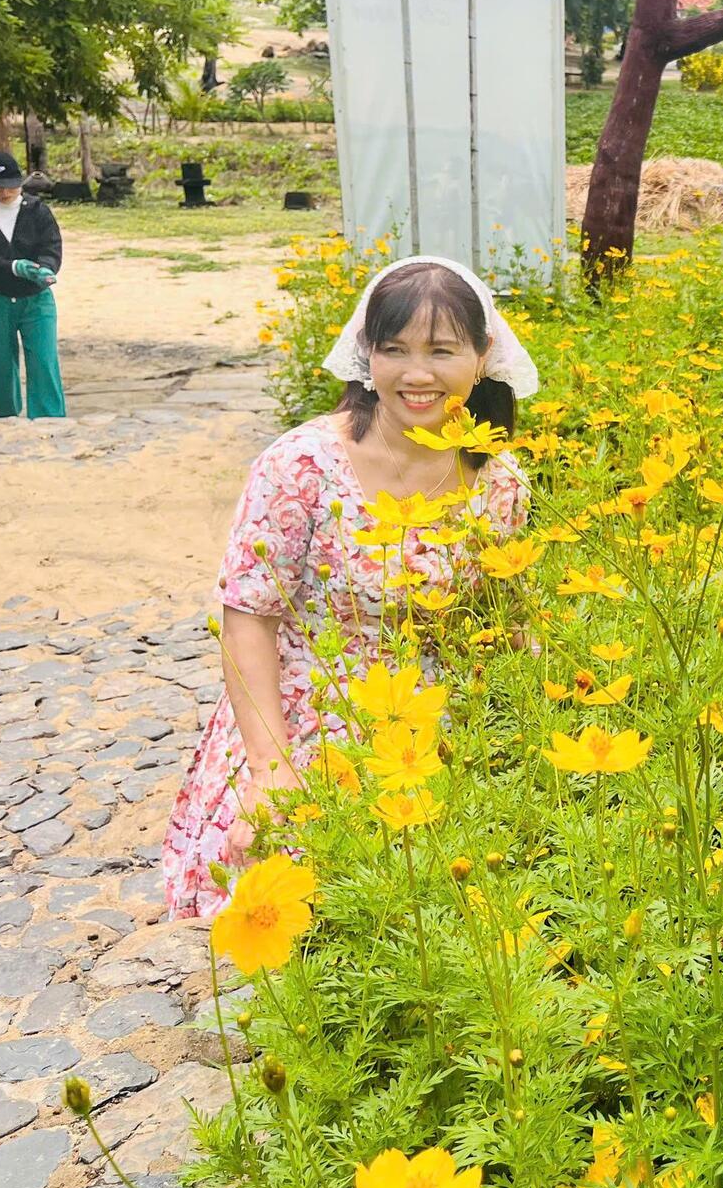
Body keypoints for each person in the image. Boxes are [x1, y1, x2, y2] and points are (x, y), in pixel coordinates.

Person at [161, 256, 540, 919]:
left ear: (483, 358)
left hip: (432, 729)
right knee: (294, 920)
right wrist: (270, 772)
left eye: (441, 350)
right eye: (393, 350)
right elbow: (247, 615)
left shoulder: (500, 483)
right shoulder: (302, 465)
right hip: (308, 715)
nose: (416, 374)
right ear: (368, 357)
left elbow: (504, 625)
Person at [0, 148, 66, 419]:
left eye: (9, 185)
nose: (4, 192)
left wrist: (45, 267)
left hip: (35, 298)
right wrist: (11, 267)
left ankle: (49, 420)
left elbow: (52, 245)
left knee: (44, 361)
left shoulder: (36, 210)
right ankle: (4, 419)